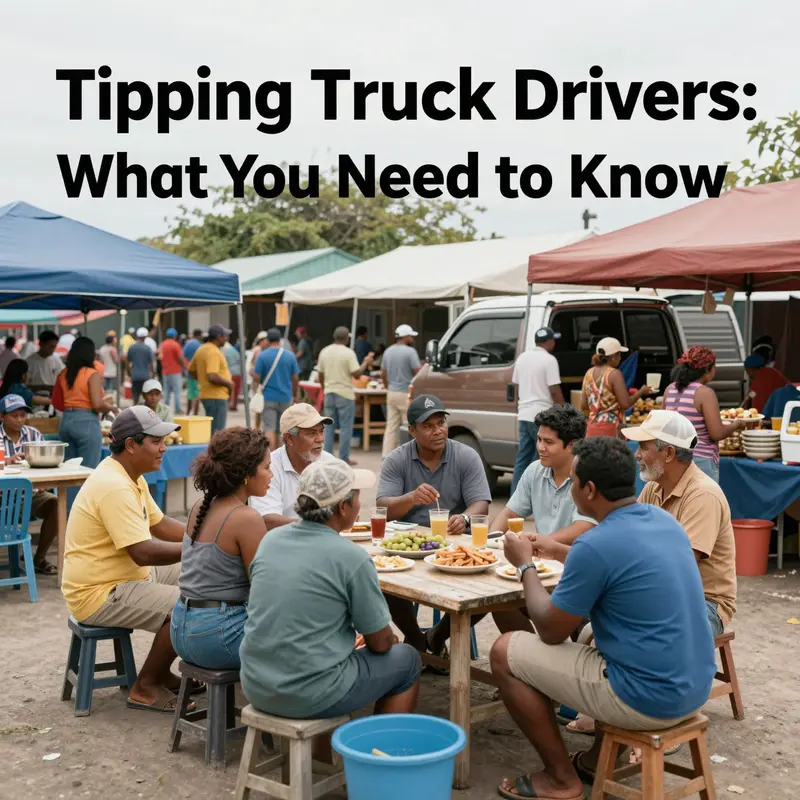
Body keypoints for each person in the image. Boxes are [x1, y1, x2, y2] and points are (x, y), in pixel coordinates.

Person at [491, 437, 716, 799]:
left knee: (504, 651)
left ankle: (561, 779)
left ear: (589, 490)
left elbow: (549, 630)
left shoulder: (595, 544)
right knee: (590, 635)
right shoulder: (662, 521)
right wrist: (559, 550)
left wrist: (525, 566)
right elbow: (618, 564)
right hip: (693, 687)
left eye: (576, 483)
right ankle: (598, 760)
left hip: (646, 699)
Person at [566, 410, 739, 738]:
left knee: (617, 622)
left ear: (668, 453)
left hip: (704, 602)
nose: (637, 454)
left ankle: (653, 720)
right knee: (589, 615)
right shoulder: (654, 488)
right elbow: (628, 536)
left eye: (644, 447)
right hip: (660, 590)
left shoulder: (702, 494)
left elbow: (681, 563)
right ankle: (608, 703)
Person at [239, 459, 421, 730]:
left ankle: (323, 754)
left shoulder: (271, 540)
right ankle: (381, 753)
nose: (360, 505)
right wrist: (386, 638)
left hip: (256, 684)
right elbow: (381, 644)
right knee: (408, 659)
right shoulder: (351, 557)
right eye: (357, 497)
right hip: (312, 693)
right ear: (344, 507)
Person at [61, 407, 189, 713]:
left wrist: (206, 535)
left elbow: (159, 525)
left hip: (129, 575)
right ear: (131, 445)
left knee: (199, 576)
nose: (164, 447)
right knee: (186, 607)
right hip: (100, 592)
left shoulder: (130, 474)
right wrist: (203, 547)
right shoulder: (114, 485)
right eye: (157, 441)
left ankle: (160, 673)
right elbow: (143, 551)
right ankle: (145, 686)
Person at [376, 394, 491, 657]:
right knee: (382, 580)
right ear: (412, 430)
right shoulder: (397, 459)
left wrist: (463, 518)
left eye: (441, 423)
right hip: (408, 551)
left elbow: (481, 504)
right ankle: (416, 638)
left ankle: (438, 635)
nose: (437, 431)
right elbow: (383, 507)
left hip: (455, 547)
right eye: (428, 426)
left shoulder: (465, 455)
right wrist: (411, 498)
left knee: (489, 587)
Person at [171, 427, 271, 670]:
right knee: (305, 637)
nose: (272, 475)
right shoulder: (245, 517)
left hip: (180, 630)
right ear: (246, 474)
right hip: (217, 638)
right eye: (267, 467)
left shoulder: (201, 506)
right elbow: (263, 591)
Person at [663, 346, 747, 483]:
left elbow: (663, 424)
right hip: (699, 461)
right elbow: (717, 434)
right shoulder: (704, 393)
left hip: (672, 459)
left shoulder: (670, 389)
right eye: (714, 367)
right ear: (707, 369)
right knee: (701, 503)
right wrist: (737, 424)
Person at [249, 403, 335, 530]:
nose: (320, 439)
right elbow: (267, 519)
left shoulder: (329, 462)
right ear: (289, 439)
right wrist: (316, 527)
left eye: (321, 431)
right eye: (312, 433)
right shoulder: (269, 467)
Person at [0, 394, 60, 574]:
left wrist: (45, 482)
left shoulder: (33, 435)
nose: (19, 420)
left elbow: (47, 463)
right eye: (14, 415)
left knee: (56, 505)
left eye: (22, 415)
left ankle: (39, 559)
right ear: (2, 416)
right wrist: (7, 461)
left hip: (31, 495)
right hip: (3, 498)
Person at [510, 327, 564, 493]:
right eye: (553, 340)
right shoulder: (549, 360)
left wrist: (522, 405)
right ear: (549, 342)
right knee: (542, 460)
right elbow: (554, 390)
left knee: (522, 458)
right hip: (542, 417)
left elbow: (516, 386)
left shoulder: (522, 358)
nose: (554, 343)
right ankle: (536, 498)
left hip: (524, 414)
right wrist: (565, 410)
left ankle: (515, 498)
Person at [54, 337, 118, 469]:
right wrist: (112, 408)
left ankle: (71, 491)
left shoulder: (63, 374)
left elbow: (57, 402)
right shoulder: (91, 374)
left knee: (68, 470)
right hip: (86, 423)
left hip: (66, 421)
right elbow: (97, 404)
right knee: (88, 471)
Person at [318, 326, 373, 464]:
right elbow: (356, 374)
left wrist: (324, 387)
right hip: (345, 394)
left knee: (328, 427)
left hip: (329, 393)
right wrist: (366, 362)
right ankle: (343, 458)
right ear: (347, 338)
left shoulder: (324, 351)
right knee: (346, 427)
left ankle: (327, 458)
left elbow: (320, 373)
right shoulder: (349, 353)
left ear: (334, 337)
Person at [581, 337, 653, 437]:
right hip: (611, 428)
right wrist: (641, 392)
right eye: (619, 355)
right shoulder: (614, 374)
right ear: (613, 356)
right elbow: (625, 404)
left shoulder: (588, 373)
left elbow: (583, 405)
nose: (620, 358)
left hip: (592, 428)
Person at [252, 328, 300, 450]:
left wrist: (253, 373)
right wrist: (295, 395)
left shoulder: (262, 356)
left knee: (269, 428)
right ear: (280, 340)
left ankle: (271, 458)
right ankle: (283, 456)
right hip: (285, 397)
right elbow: (295, 378)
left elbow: (257, 377)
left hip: (268, 397)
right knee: (284, 429)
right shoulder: (290, 355)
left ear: (267, 340)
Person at [381, 324, 423, 456]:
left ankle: (386, 455)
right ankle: (407, 457)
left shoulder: (388, 351)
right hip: (406, 393)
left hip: (392, 392)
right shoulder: (410, 352)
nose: (412, 338)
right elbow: (417, 371)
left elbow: (383, 372)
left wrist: (388, 385)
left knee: (391, 426)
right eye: (410, 336)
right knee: (408, 426)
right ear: (405, 337)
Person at [189, 324, 235, 434]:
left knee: (211, 431)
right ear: (219, 337)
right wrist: (229, 384)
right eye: (224, 336)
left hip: (207, 395)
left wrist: (202, 380)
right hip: (216, 397)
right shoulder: (213, 352)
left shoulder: (201, 349)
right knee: (217, 433)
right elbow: (212, 375)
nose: (226, 339)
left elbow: (191, 371)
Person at [124, 328, 156, 403]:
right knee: (146, 397)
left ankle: (135, 411)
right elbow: (151, 363)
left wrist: (129, 373)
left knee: (135, 397)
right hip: (145, 376)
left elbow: (127, 362)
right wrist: (153, 373)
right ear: (145, 337)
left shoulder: (132, 347)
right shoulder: (147, 348)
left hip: (135, 376)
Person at [159, 328, 184, 414]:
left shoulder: (162, 344)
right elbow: (180, 358)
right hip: (175, 371)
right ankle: (177, 409)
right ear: (175, 336)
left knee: (166, 391)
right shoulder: (175, 345)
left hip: (165, 371)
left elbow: (159, 356)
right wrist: (183, 366)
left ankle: (165, 410)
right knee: (177, 391)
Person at [183, 329, 205, 415]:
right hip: (197, 373)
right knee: (196, 395)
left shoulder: (187, 344)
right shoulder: (200, 346)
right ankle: (195, 414)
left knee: (190, 393)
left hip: (189, 372)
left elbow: (183, 356)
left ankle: (188, 412)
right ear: (199, 335)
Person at [222, 338, 243, 411]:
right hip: (238, 373)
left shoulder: (226, 352)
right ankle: (234, 405)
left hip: (229, 373)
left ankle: (229, 405)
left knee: (229, 390)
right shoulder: (236, 352)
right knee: (236, 390)